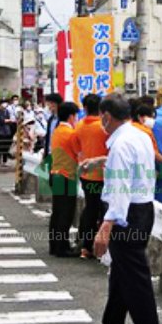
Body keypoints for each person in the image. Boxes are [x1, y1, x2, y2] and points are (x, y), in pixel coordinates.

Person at [94, 94, 162, 324]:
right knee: (121, 280)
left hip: (126, 215)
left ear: (107, 117)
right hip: (141, 209)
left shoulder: (121, 144)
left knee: (136, 285)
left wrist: (107, 225)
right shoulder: (139, 135)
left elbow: (120, 189)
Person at [74, 94, 110, 259]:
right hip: (104, 175)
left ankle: (86, 246)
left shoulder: (79, 126)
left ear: (85, 108)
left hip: (86, 174)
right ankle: (101, 247)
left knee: (90, 209)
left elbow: (77, 149)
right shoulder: (104, 128)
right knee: (104, 212)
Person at [48, 102, 81, 257]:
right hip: (67, 175)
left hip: (56, 173)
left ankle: (54, 245)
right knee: (65, 213)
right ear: (71, 116)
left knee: (57, 212)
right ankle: (62, 247)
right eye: (76, 116)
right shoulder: (71, 134)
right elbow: (79, 154)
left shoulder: (57, 131)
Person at [0, 98, 12, 167]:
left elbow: (9, 119)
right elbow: (0, 121)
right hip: (0, 131)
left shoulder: (7, 111)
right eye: (3, 103)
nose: (5, 104)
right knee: (0, 146)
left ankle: (5, 161)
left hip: (7, 131)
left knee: (6, 146)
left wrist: (7, 120)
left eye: (6, 103)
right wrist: (7, 120)